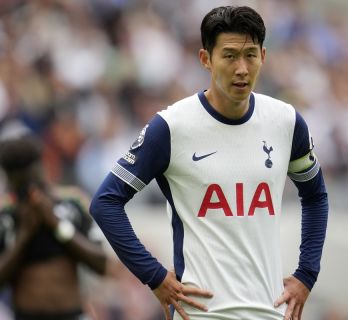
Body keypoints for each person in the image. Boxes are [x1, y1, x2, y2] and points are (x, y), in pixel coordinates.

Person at [90, 5, 328, 320]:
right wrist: (155, 276)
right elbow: (105, 203)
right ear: (206, 59)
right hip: (201, 314)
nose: (242, 68)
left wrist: (306, 274)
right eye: (229, 56)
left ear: (264, 57)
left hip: (270, 313)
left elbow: (315, 196)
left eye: (251, 55)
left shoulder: (285, 121)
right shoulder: (172, 127)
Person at [0, 135, 108, 320]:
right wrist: (24, 234)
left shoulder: (72, 202)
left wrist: (56, 225)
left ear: (42, 168)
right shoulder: (5, 214)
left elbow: (101, 262)